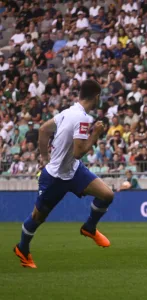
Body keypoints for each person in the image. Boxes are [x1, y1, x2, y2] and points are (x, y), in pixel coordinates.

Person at [14, 80, 114, 268]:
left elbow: (43, 129)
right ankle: (22, 248)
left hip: (74, 170)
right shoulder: (83, 119)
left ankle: (89, 228)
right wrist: (96, 133)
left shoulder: (68, 112)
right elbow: (79, 151)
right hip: (55, 177)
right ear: (97, 96)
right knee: (37, 218)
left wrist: (44, 157)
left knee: (107, 195)